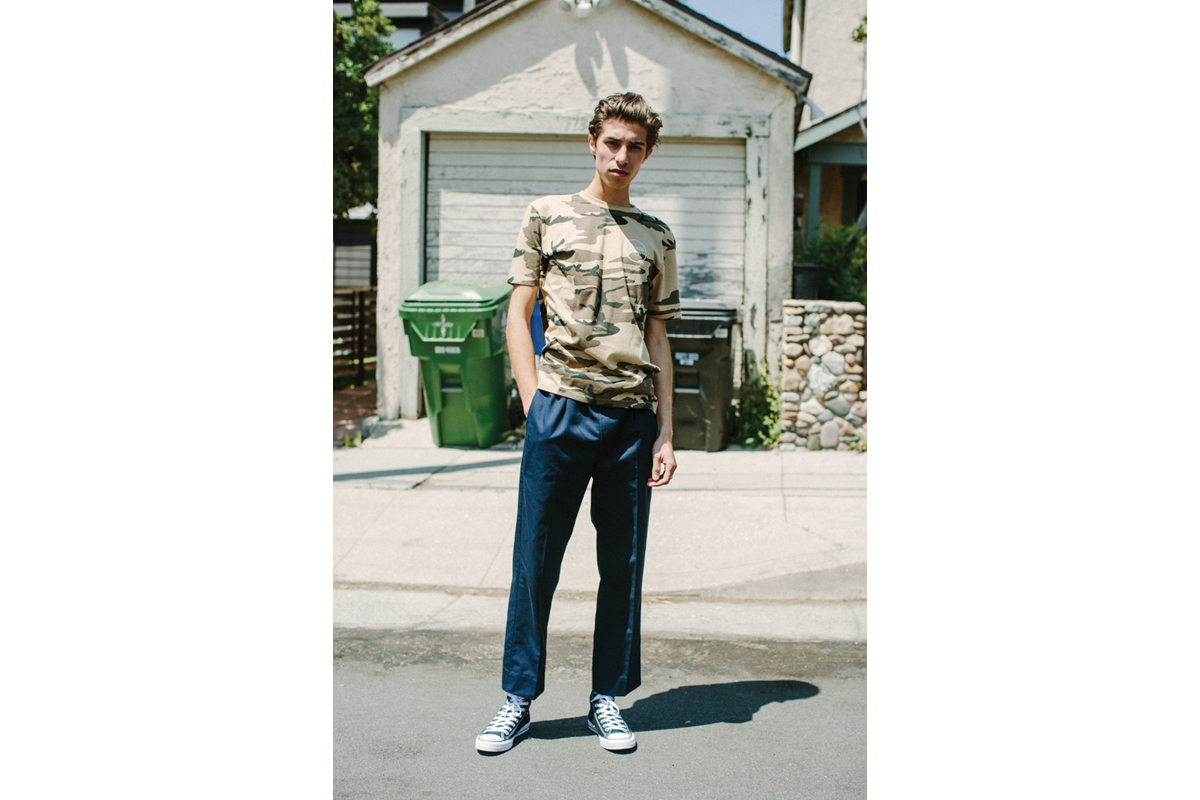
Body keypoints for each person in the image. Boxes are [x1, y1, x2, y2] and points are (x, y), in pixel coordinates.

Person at [475, 93, 681, 754]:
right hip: (559, 410)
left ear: (647, 153)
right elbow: (517, 314)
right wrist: (533, 402)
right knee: (535, 560)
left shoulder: (656, 235)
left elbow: (659, 337)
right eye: (612, 142)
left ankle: (606, 699)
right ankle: (517, 698)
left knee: (622, 565)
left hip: (630, 421)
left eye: (635, 146)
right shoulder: (546, 215)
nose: (622, 156)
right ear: (592, 141)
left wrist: (666, 433)